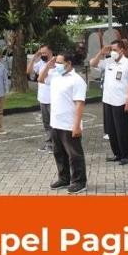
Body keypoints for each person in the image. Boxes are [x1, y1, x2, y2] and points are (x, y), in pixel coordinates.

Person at [39, 52, 87, 193]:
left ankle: (79, 182)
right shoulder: (56, 76)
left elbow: (80, 104)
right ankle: (64, 178)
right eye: (56, 62)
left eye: (59, 62)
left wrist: (76, 126)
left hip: (69, 124)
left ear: (69, 63)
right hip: (56, 123)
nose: (57, 65)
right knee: (58, 153)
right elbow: (40, 79)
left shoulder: (77, 80)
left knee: (74, 155)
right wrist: (48, 65)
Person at [90, 39, 128, 165]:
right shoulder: (109, 61)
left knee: (122, 130)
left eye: (115, 50)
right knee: (111, 130)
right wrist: (101, 52)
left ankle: (126, 155)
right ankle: (117, 154)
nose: (112, 52)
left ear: (122, 50)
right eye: (111, 49)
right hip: (108, 101)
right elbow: (93, 64)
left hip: (120, 102)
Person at [28, 45, 54, 152]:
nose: (43, 55)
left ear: (50, 52)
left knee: (54, 123)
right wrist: (34, 58)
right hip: (42, 98)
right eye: (41, 53)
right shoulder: (40, 63)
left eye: (45, 53)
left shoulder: (56, 63)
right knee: (46, 123)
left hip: (53, 99)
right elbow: (29, 71)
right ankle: (49, 143)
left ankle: (56, 144)